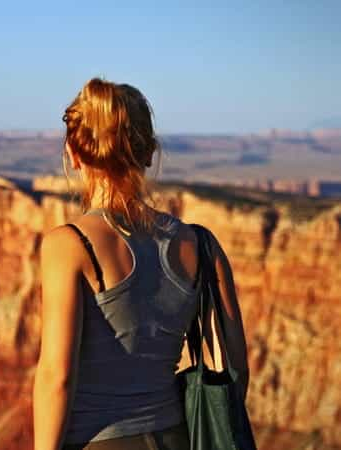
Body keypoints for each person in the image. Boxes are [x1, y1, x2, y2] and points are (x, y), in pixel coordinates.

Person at [33, 78, 249, 450]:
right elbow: (234, 371)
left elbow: (57, 378)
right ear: (148, 153)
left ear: (74, 153)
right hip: (177, 437)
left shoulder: (69, 245)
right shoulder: (201, 245)